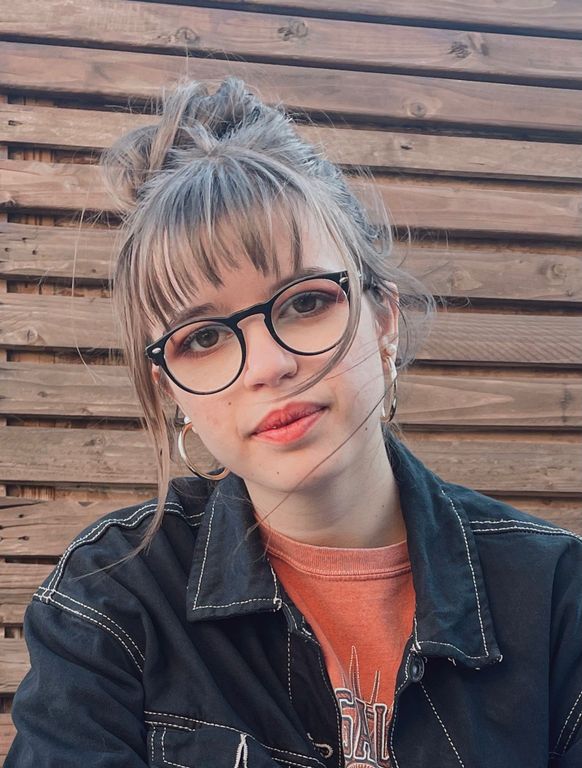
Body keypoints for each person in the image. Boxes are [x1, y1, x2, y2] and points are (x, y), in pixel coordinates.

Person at [5, 76, 582, 768]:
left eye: (305, 303)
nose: (268, 365)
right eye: (203, 337)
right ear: (172, 389)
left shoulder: (555, 594)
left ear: (383, 317)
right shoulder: (111, 601)